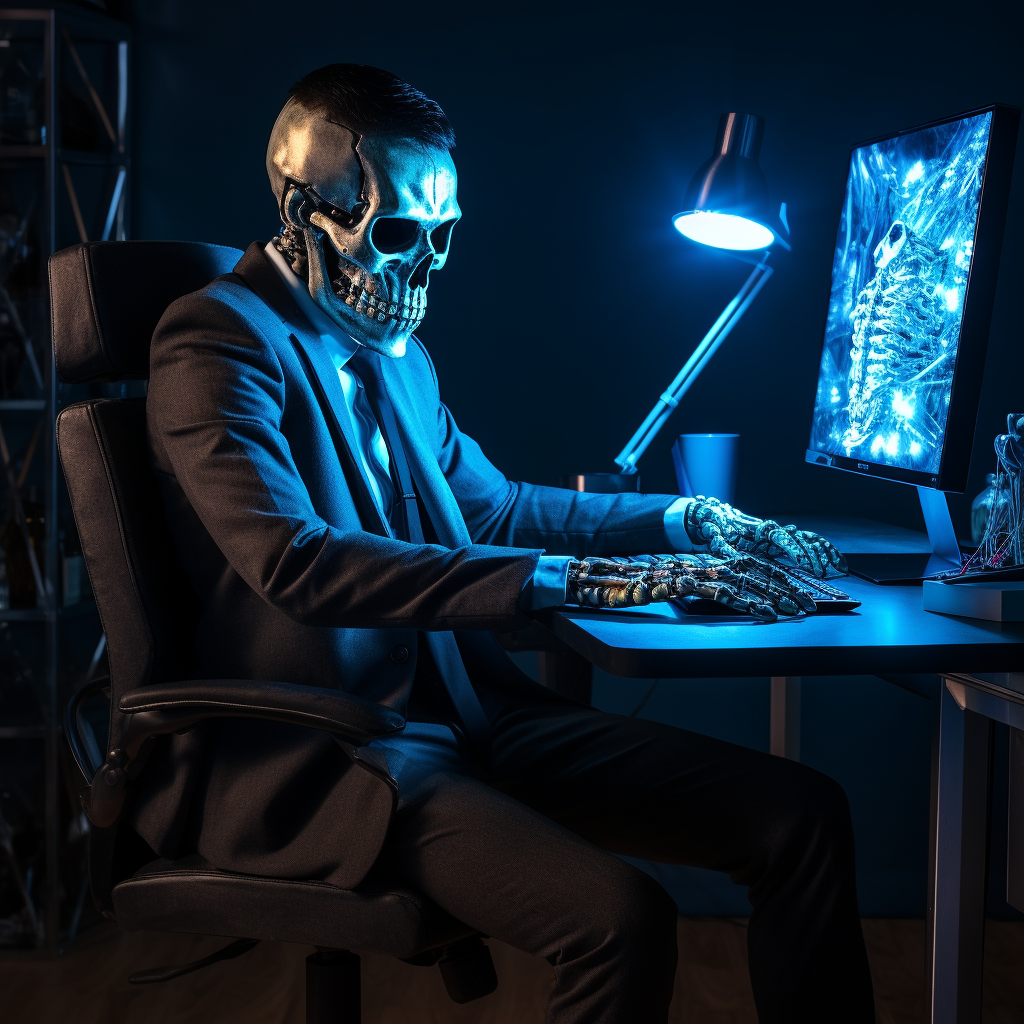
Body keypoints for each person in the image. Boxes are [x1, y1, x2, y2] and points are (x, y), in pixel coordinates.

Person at [139, 63, 875, 1023]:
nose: (419, 271)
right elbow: (296, 563)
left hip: (470, 718)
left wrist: (686, 520)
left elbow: (488, 509)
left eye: (441, 241)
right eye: (396, 236)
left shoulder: (393, 355)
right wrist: (589, 583)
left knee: (800, 816)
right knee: (624, 920)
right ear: (302, 208)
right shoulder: (216, 339)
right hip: (337, 754)